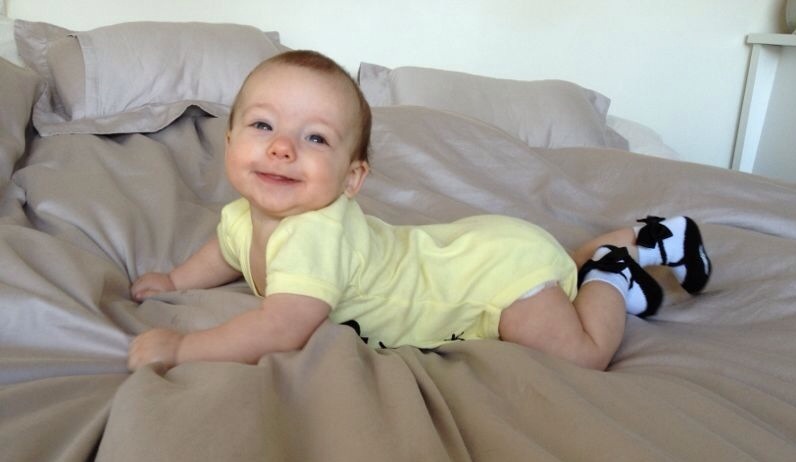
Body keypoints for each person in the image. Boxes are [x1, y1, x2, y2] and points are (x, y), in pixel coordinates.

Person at [128, 50, 711, 372]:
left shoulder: (313, 236)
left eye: (316, 138)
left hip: (489, 281)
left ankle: (610, 273)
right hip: (472, 250)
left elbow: (281, 325)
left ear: (352, 179)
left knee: (579, 354)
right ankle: (636, 238)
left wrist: (182, 348)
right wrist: (176, 280)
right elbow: (227, 250)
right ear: (229, 141)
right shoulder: (241, 216)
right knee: (554, 265)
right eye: (262, 125)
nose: (282, 147)